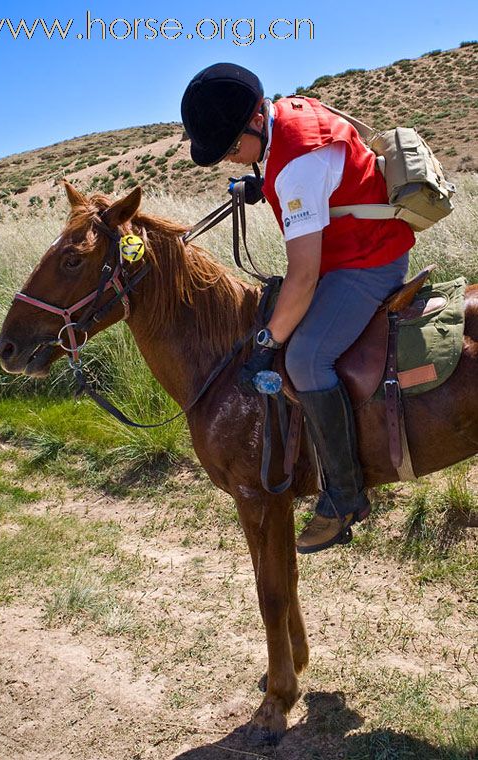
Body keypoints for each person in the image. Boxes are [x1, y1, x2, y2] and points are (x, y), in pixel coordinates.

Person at [181, 63, 415, 554]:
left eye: (229, 149)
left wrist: (269, 343)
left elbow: (304, 276)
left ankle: (345, 495)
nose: (229, 159)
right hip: (351, 246)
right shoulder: (286, 118)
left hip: (369, 261)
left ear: (254, 121)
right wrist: (259, 186)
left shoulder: (296, 168)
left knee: (306, 358)